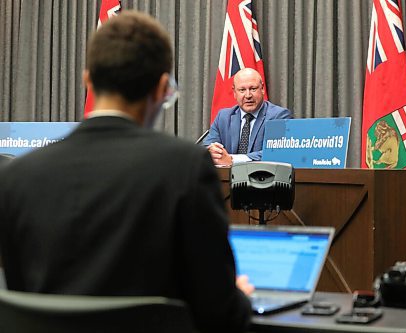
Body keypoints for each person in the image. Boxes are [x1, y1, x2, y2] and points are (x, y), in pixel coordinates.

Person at [0, 11, 253, 333]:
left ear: (87, 80)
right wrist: (240, 298)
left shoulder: (17, 176)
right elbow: (219, 314)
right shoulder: (185, 168)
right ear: (163, 88)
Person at [203, 68, 292, 165]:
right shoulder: (223, 117)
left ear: (262, 89)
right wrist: (214, 153)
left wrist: (232, 160)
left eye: (253, 89)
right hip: (227, 179)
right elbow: (207, 147)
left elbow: (276, 153)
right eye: (242, 90)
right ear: (234, 92)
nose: (248, 95)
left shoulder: (279, 116)